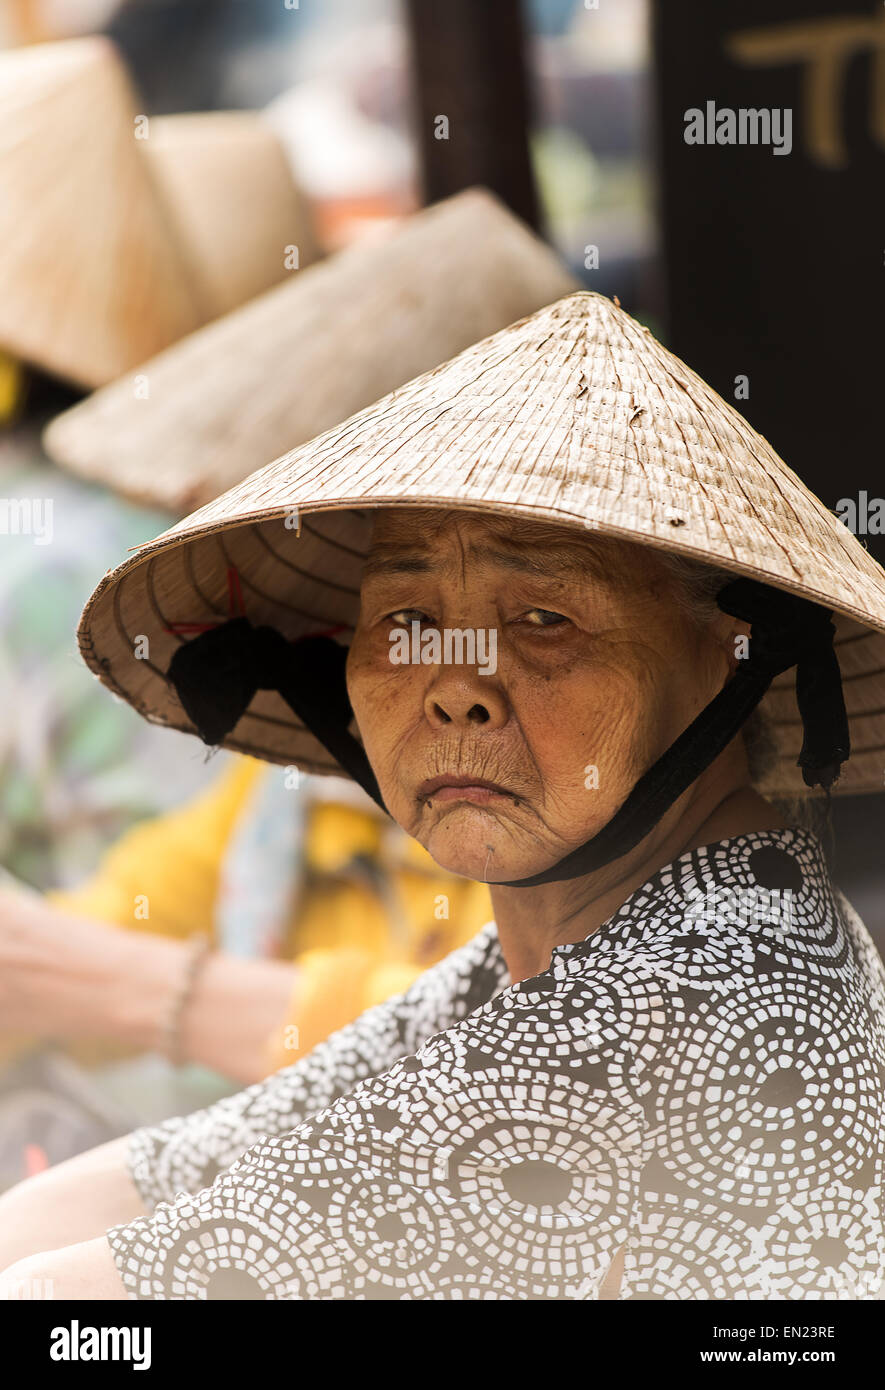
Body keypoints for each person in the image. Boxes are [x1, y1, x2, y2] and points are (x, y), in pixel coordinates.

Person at [2, 290, 884, 1300]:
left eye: (547, 615)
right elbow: (179, 1171)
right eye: (409, 619)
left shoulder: (694, 992)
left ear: (734, 659)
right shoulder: (613, 932)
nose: (456, 684)